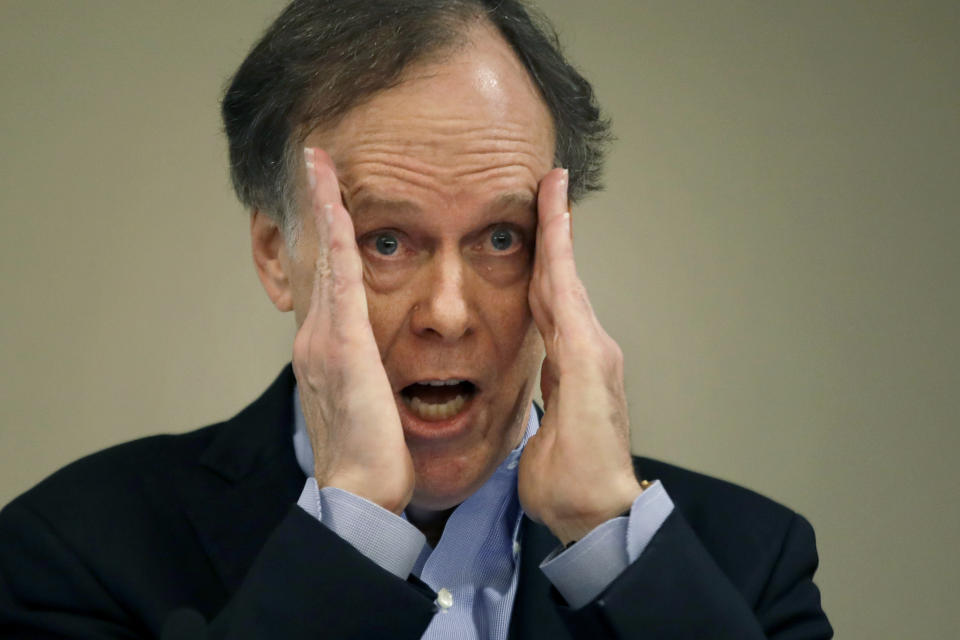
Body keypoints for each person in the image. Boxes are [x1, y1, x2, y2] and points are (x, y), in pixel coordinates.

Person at [0, 1, 831, 638]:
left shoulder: (745, 566)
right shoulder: (71, 552)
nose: (446, 312)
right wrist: (353, 528)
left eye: (502, 238)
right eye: (386, 240)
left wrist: (609, 535)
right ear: (271, 253)